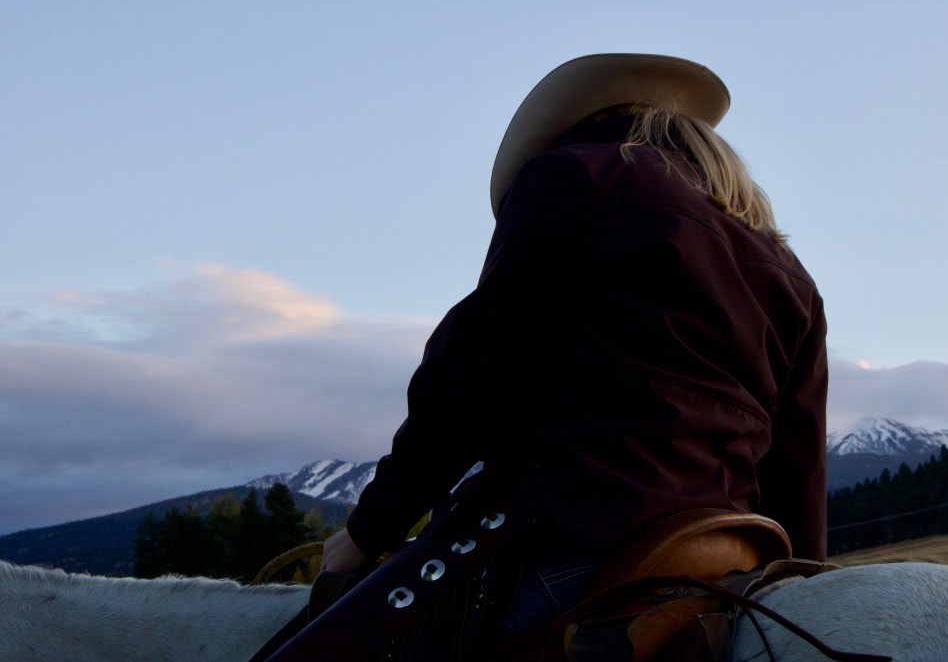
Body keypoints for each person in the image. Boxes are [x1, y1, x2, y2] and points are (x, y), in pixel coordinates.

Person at [268, 53, 827, 660]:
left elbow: (472, 370)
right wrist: (805, 586)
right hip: (723, 550)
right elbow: (798, 462)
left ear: (582, 125)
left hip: (576, 537)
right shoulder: (790, 271)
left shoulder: (574, 175)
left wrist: (370, 528)